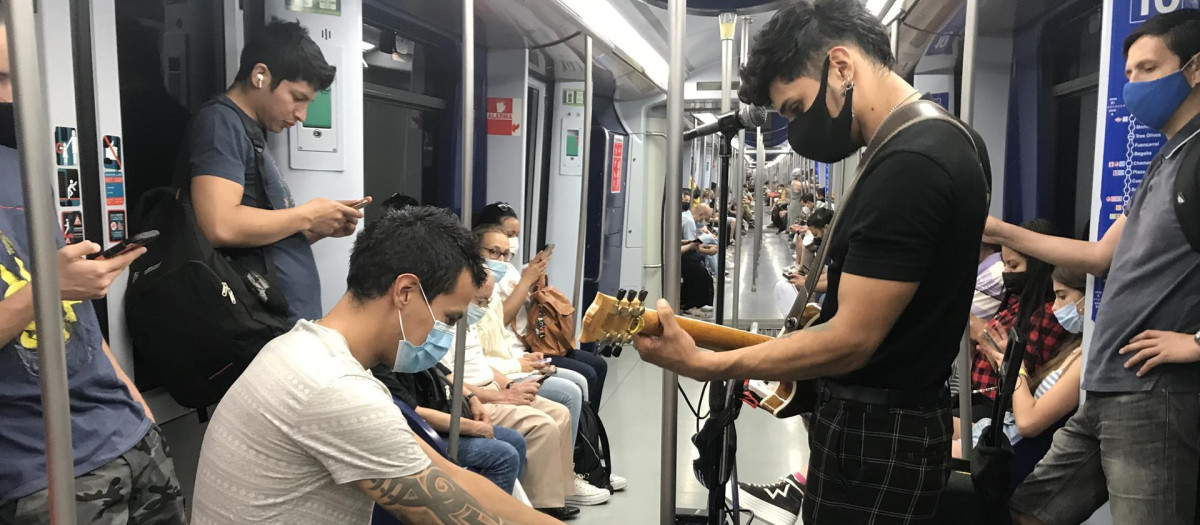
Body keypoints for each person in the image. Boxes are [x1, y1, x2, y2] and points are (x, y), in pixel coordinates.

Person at [635, 1, 990, 523]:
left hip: (876, 437)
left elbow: (852, 339)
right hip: (901, 423)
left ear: (841, 67)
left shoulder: (911, 163)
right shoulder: (953, 139)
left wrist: (708, 364)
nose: (799, 128)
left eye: (797, 108)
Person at [191, 206, 555, 524]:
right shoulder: (336, 389)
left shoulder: (303, 348)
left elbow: (448, 475)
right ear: (405, 292)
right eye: (448, 318)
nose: (447, 332)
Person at [986, 11, 1200, 524]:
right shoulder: (1166, 158)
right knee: (1030, 511)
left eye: (1147, 70)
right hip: (1104, 389)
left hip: (1154, 397)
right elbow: (1102, 257)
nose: (1133, 86)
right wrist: (999, 230)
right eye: (1128, 74)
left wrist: (1195, 343)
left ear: (1195, 70)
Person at [0, 13, 186, 523]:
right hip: (41, 468)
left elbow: (73, 311)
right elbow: (52, 290)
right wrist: (47, 288)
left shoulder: (20, 170)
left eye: (17, 79)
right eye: (0, 81)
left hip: (128, 433)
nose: (13, 98)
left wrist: (134, 401)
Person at [189, 19, 363, 325]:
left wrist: (316, 228)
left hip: (282, 321)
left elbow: (261, 238)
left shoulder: (250, 132)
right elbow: (219, 224)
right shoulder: (221, 122)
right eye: (297, 98)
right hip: (258, 323)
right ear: (260, 75)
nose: (302, 115)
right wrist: (308, 214)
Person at [952, 267, 1086, 488]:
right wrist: (1007, 362)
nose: (1055, 308)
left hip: (1007, 448)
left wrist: (1016, 368)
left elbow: (1027, 423)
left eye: (1062, 297)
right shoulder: (1073, 349)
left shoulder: (1085, 359)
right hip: (998, 431)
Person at [475, 202, 610, 412]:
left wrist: (537, 283)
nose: (512, 243)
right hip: (517, 350)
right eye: (509, 234)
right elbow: (497, 320)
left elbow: (527, 307)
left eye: (514, 237)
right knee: (583, 378)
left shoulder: (509, 269)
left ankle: (589, 432)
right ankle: (581, 437)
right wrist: (525, 282)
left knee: (598, 365)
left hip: (533, 341)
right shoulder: (480, 280)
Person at [968, 219, 1068, 420]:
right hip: (979, 397)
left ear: (1038, 265)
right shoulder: (1016, 301)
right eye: (1004, 264)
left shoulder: (1050, 314)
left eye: (1013, 266)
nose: (1006, 273)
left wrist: (983, 336)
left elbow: (1023, 374)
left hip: (1001, 407)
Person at [681, 202, 718, 316]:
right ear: (701, 214)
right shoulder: (689, 222)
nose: (705, 221)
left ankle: (700, 303)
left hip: (684, 250)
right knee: (699, 271)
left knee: (702, 268)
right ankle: (690, 305)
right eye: (705, 218)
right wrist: (707, 248)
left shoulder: (687, 218)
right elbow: (692, 245)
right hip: (682, 255)